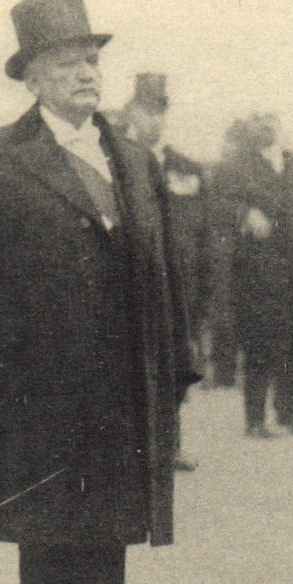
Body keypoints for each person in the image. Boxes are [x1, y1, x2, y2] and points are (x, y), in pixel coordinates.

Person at [0, 0, 194, 584]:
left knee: (112, 517)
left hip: (121, 378)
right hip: (34, 385)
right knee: (48, 521)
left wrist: (174, 368)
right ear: (31, 78)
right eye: (65, 64)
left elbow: (165, 269)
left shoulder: (131, 158)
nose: (84, 74)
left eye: (91, 61)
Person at [217, 113, 293, 437]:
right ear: (251, 128)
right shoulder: (238, 165)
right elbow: (220, 205)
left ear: (279, 125)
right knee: (259, 342)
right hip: (258, 268)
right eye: (259, 120)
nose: (266, 126)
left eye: (271, 119)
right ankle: (255, 418)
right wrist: (245, 214)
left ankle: (289, 413)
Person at [120, 72, 207, 471]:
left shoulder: (185, 167)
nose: (154, 120)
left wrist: (202, 285)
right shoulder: (116, 160)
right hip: (134, 279)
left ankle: (170, 445)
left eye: (160, 112)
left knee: (174, 364)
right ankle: (134, 448)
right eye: (146, 111)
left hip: (178, 279)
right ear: (131, 113)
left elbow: (202, 230)